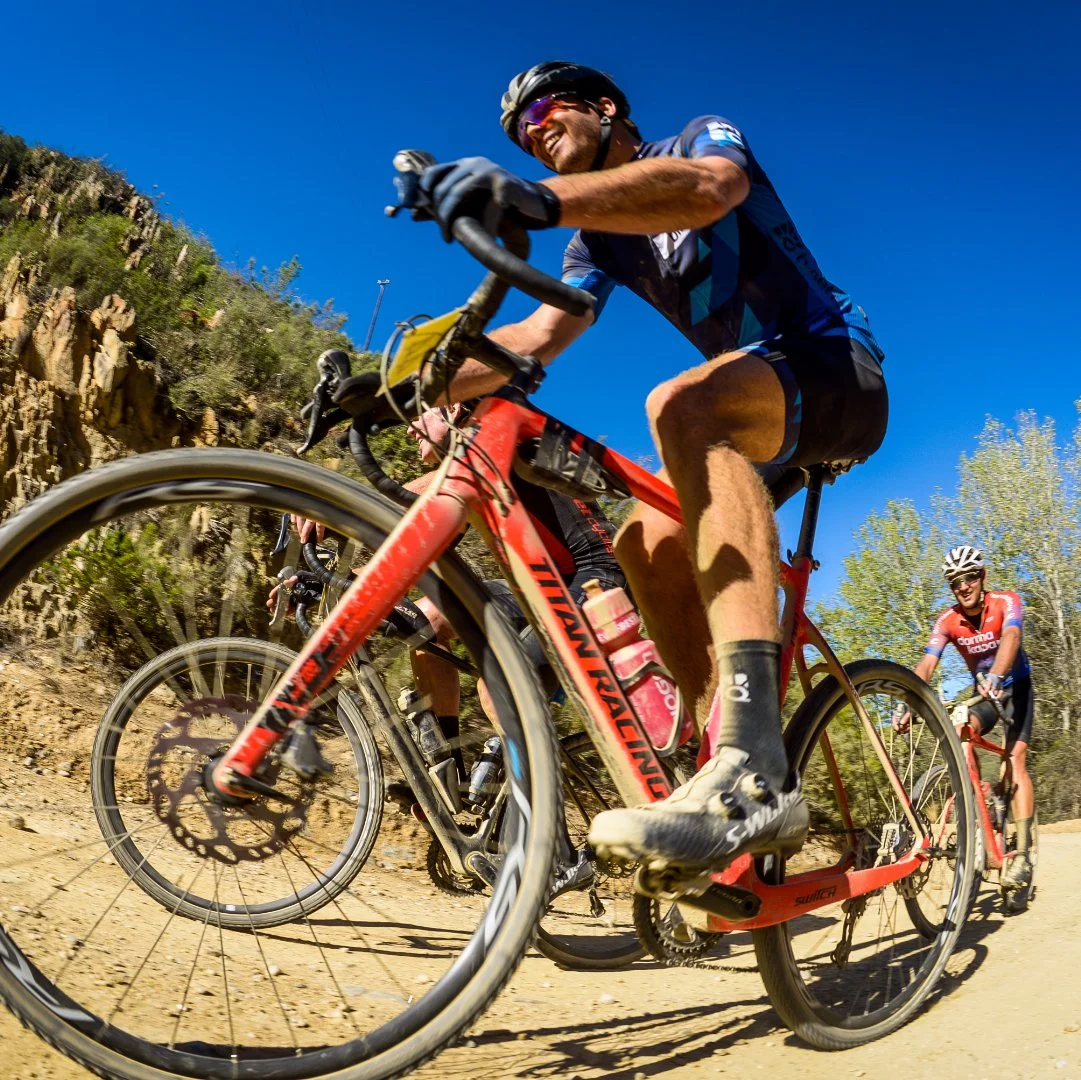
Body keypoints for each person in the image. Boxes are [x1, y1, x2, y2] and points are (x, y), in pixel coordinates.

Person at [403, 61, 888, 874]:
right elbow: (533, 340)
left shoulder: (697, 137)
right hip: (752, 407)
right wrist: (409, 377)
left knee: (678, 408)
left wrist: (539, 199)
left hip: (834, 367)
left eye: (545, 111)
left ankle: (756, 763)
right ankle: (718, 771)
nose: (533, 132)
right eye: (519, 134)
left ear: (604, 107)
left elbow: (708, 190)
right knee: (642, 542)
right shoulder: (599, 242)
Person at [898, 545, 1036, 889]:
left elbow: (1012, 636)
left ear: (982, 576)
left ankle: (1021, 855)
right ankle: (975, 812)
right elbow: (928, 663)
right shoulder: (947, 621)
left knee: (1014, 760)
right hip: (984, 696)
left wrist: (997, 675)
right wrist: (908, 700)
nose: (964, 586)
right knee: (962, 729)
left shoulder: (1006, 602)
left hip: (1014, 688)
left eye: (970, 577)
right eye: (955, 582)